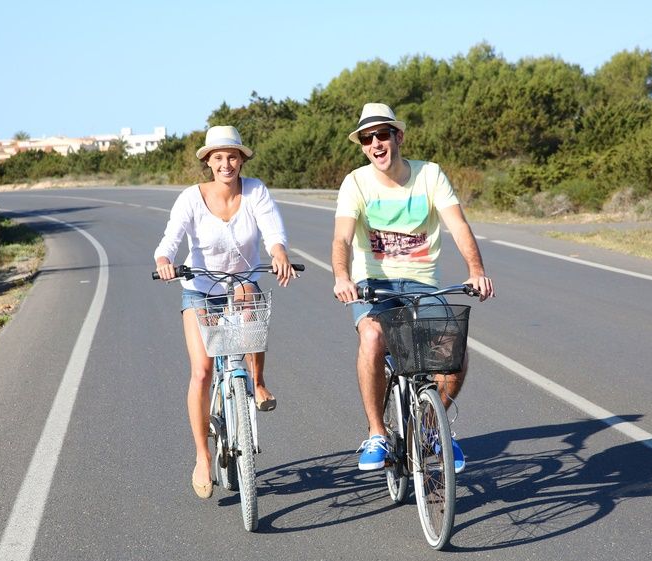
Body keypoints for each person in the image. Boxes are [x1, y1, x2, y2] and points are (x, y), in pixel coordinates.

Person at [331, 103, 494, 473]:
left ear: (398, 137)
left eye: (382, 134)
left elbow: (458, 226)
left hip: (422, 283)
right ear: (362, 146)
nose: (375, 143)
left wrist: (476, 270)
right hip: (375, 285)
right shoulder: (356, 183)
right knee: (372, 338)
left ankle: (432, 427)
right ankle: (376, 433)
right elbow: (342, 237)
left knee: (455, 348)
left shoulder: (430, 176)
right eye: (367, 138)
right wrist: (342, 276)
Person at [154, 125, 298, 499]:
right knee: (202, 371)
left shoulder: (255, 191)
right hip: (200, 287)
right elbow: (171, 237)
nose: (226, 163)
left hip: (241, 282)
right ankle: (202, 456)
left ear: (242, 159)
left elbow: (272, 229)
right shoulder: (191, 197)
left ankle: (258, 380)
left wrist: (279, 252)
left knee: (253, 306)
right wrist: (165, 259)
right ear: (208, 162)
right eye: (217, 157)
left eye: (232, 155)